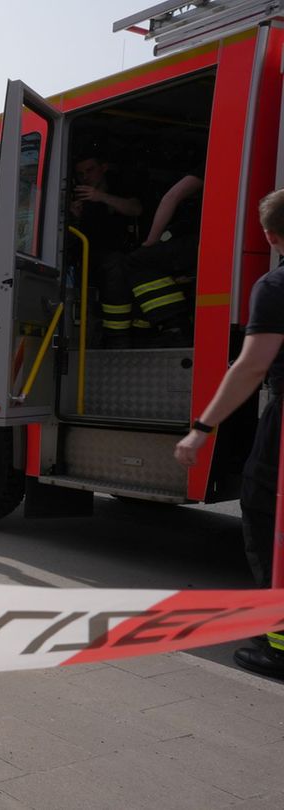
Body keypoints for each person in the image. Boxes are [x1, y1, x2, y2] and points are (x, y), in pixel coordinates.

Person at [175, 187, 284, 679]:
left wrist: (201, 428)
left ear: (269, 236)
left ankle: (279, 643)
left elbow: (251, 365)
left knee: (265, 514)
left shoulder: (276, 285)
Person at [68, 152, 145, 348]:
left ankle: (125, 336)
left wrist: (100, 197)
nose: (86, 177)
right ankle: (111, 338)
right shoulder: (74, 198)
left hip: (122, 259)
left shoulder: (117, 189)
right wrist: (75, 217)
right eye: (81, 173)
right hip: (88, 262)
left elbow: (135, 209)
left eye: (90, 170)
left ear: (103, 168)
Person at [123, 164, 204, 347]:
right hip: (217, 241)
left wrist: (150, 242)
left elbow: (172, 197)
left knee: (137, 260)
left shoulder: (210, 165)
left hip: (205, 241)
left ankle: (174, 325)